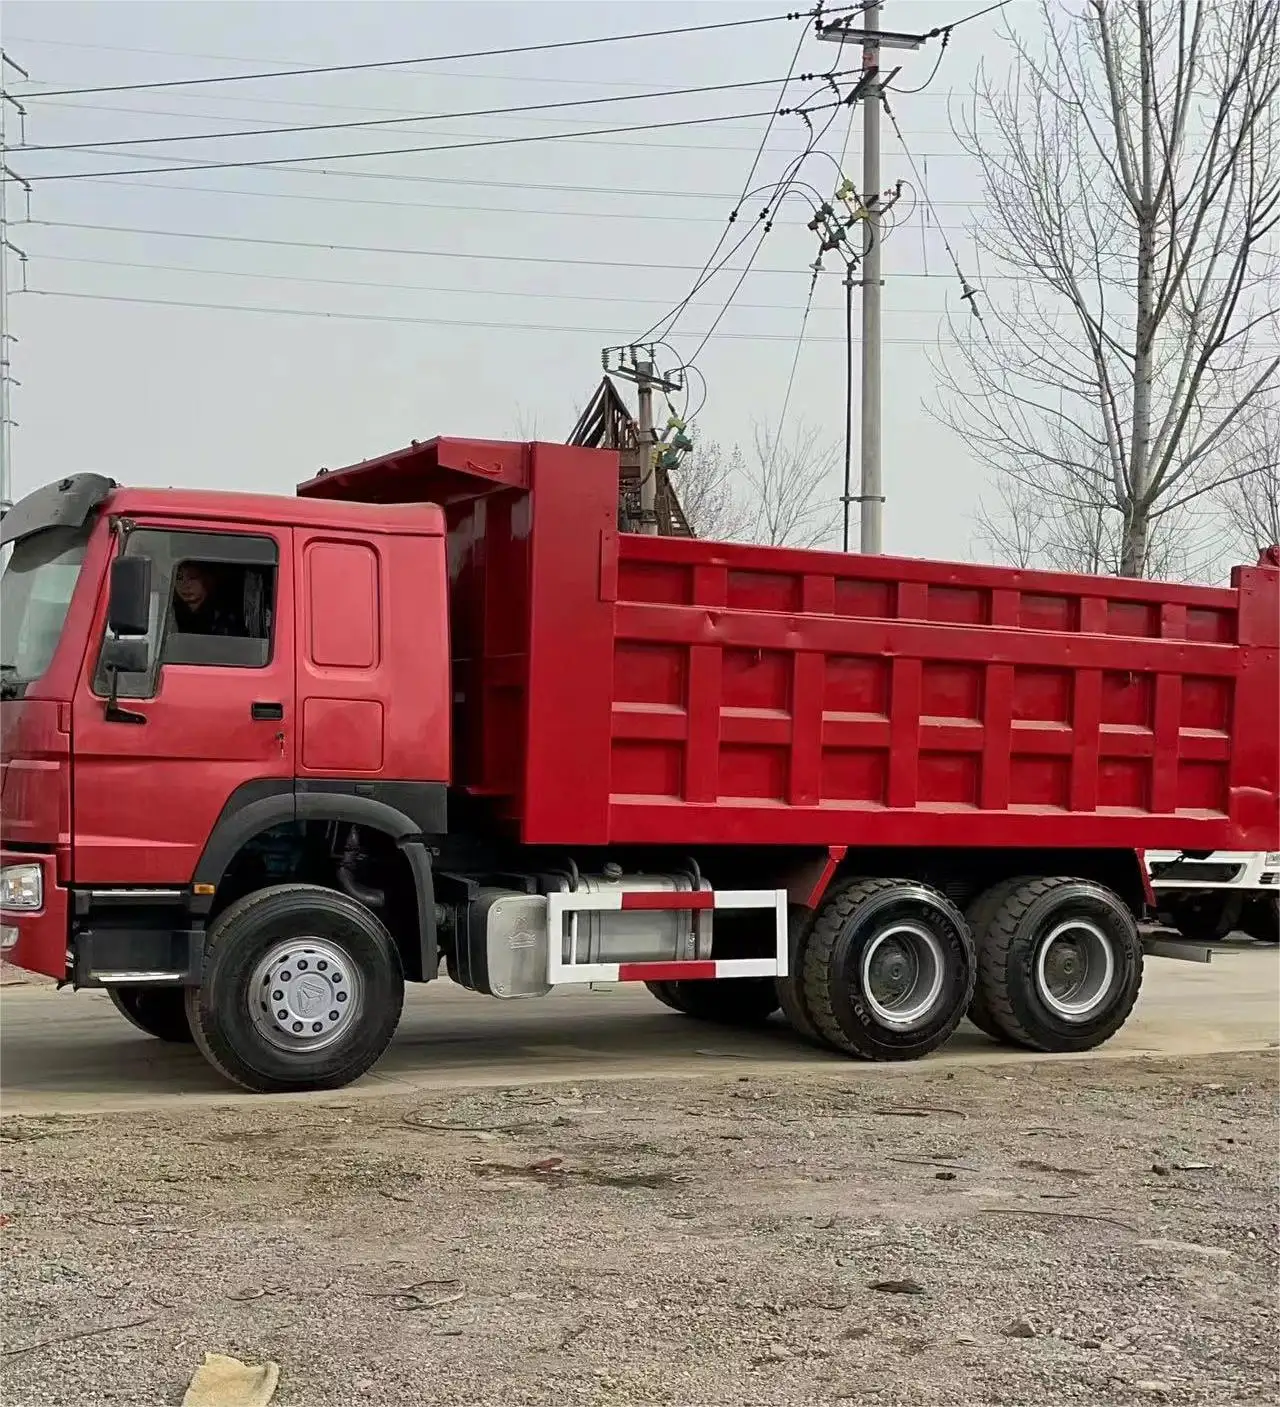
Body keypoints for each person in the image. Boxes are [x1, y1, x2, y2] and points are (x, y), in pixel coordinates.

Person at [171, 561, 244, 637]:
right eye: (179, 578)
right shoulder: (170, 612)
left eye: (192, 577)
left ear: (207, 578)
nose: (185, 585)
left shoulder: (224, 618)